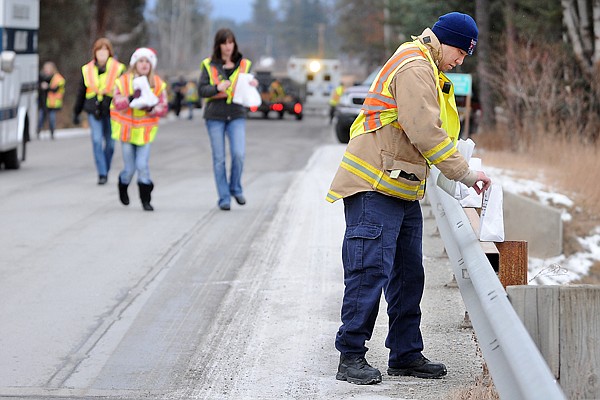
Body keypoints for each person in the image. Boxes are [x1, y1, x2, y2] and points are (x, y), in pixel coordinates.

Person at [326, 12, 492, 385]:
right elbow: (424, 131)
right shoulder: (415, 65)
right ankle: (350, 356)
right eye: (461, 53)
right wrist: (464, 173)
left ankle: (405, 353)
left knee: (407, 276)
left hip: (400, 187)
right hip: (373, 186)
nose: (461, 61)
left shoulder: (427, 67)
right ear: (445, 41)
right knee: (369, 271)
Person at [198, 28, 258, 211]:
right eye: (224, 43)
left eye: (230, 42)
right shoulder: (209, 65)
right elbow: (202, 90)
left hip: (237, 114)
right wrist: (217, 88)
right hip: (215, 116)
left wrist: (255, 85)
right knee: (219, 159)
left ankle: (235, 188)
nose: (228, 46)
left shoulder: (245, 64)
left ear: (235, 44)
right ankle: (224, 197)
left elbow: (251, 87)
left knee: (239, 154)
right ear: (218, 45)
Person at [110, 48, 168, 212]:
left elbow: (163, 107)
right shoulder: (123, 81)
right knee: (129, 168)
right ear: (134, 63)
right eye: (141, 61)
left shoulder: (157, 83)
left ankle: (146, 199)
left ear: (151, 65)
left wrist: (151, 109)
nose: (144, 65)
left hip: (144, 132)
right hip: (127, 132)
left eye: (147, 62)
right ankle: (123, 184)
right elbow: (117, 102)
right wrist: (130, 98)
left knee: (142, 165)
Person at [73, 38, 126, 185]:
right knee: (97, 141)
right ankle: (102, 173)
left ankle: (106, 167)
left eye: (105, 49)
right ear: (94, 52)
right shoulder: (87, 69)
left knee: (110, 144)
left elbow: (125, 91)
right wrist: (76, 112)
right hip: (93, 110)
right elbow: (81, 92)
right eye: (99, 49)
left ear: (110, 52)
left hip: (111, 110)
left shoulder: (119, 69)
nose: (102, 53)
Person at [37, 61, 65, 140]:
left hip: (52, 103)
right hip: (43, 102)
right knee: (41, 118)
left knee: (52, 119)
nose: (47, 70)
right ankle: (38, 131)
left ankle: (52, 133)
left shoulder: (57, 78)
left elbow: (56, 89)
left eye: (49, 68)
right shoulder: (40, 77)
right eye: (46, 68)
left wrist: (47, 87)